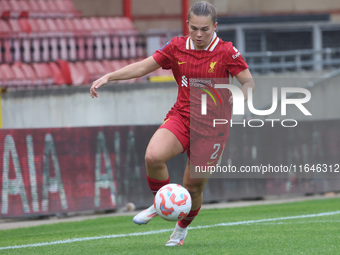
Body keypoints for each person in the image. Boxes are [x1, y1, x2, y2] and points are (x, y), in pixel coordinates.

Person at [90, 1, 255, 246]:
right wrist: (109, 76)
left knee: (193, 188)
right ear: (187, 24)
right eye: (194, 28)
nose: (199, 35)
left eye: (205, 29)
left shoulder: (226, 52)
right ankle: (161, 203)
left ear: (215, 27)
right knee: (153, 157)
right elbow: (145, 66)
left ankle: (180, 230)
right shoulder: (177, 47)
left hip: (212, 128)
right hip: (182, 116)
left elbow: (248, 81)